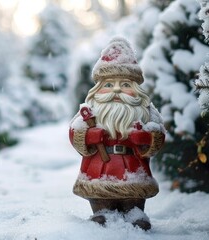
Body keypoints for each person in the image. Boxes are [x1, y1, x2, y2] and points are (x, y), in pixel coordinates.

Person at [68, 36, 166, 230]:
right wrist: (88, 136)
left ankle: (135, 212)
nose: (117, 90)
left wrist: (147, 138)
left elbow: (159, 133)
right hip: (99, 168)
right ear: (98, 88)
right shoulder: (90, 110)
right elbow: (74, 131)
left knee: (133, 196)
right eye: (109, 85)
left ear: (137, 89)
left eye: (126, 85)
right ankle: (102, 212)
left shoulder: (146, 110)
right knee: (101, 196)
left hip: (133, 167)